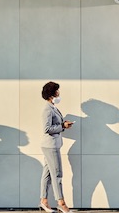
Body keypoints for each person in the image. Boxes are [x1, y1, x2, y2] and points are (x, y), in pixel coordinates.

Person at [39, 81, 73, 213]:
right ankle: (61, 203)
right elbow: (46, 128)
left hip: (51, 145)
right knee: (57, 174)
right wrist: (62, 127)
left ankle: (44, 201)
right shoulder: (47, 109)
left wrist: (63, 124)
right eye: (57, 91)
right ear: (52, 94)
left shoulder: (52, 107)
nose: (59, 93)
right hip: (51, 146)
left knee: (47, 174)